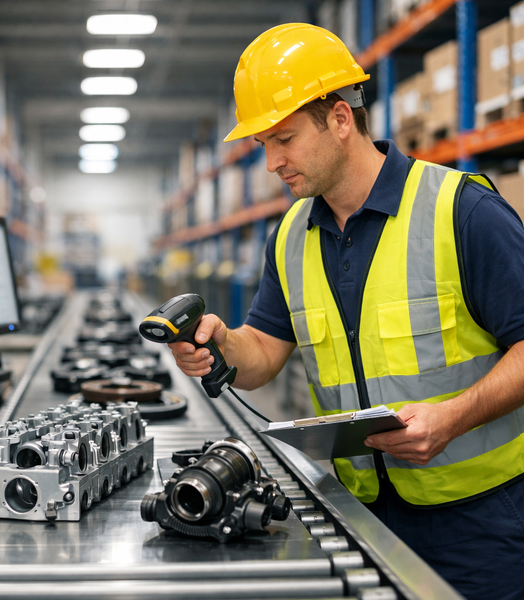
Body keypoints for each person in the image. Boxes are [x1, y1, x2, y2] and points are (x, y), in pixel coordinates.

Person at [168, 23, 524, 600]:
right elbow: (262, 355)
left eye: (283, 139)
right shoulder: (290, 236)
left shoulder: (462, 211)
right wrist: (223, 343)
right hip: (361, 515)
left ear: (339, 119)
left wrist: (454, 416)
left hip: (480, 521)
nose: (271, 164)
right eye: (263, 146)